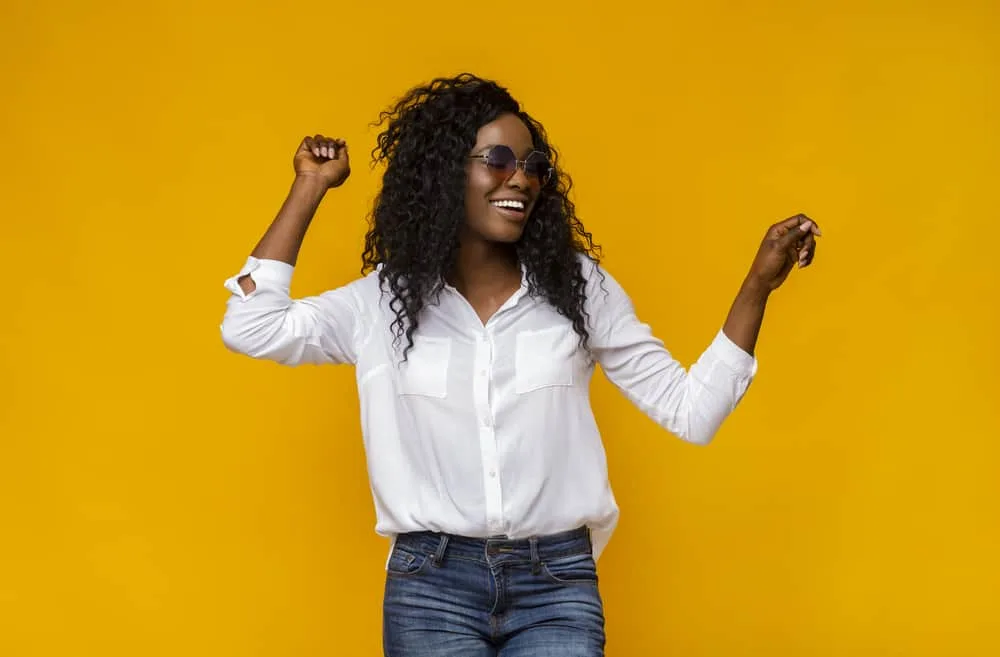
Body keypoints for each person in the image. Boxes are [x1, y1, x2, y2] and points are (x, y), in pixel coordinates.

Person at [219, 73, 820, 657]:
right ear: (445, 173)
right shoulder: (382, 301)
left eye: (534, 166)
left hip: (556, 584)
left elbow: (693, 413)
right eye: (498, 159)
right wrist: (310, 187)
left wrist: (758, 284)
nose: (522, 179)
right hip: (430, 587)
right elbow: (251, 326)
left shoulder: (579, 290)